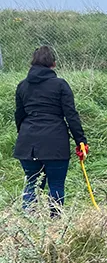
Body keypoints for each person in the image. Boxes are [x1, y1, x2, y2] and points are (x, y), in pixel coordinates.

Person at [14, 46, 88, 216]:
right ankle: (55, 222)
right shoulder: (60, 85)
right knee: (56, 184)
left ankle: (28, 223)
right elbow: (71, 115)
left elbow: (19, 115)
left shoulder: (22, 86)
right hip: (55, 143)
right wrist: (81, 141)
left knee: (32, 184)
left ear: (32, 63)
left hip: (28, 143)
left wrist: (24, 135)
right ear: (53, 64)